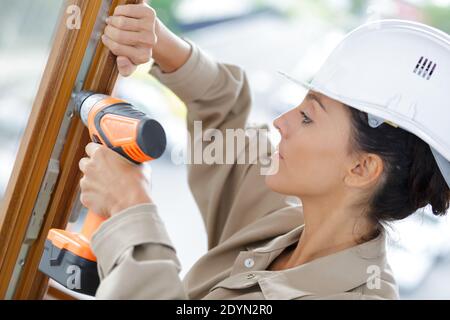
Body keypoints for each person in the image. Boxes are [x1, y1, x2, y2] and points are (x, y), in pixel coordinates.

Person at [78, 3, 450, 299]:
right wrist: (159, 42)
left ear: (362, 168)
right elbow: (221, 109)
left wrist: (130, 209)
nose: (280, 122)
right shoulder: (279, 225)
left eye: (307, 117)